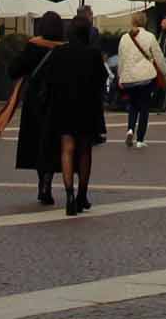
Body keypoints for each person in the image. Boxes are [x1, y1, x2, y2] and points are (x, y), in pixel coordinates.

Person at [0, 10, 64, 205]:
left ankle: (42, 182)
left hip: (35, 101)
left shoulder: (32, 46)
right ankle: (48, 179)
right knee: (53, 142)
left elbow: (14, 70)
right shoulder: (64, 48)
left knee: (38, 140)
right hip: (58, 100)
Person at [44, 14, 109, 216]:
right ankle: (82, 194)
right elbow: (102, 80)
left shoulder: (58, 52)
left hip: (64, 105)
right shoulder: (93, 54)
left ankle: (69, 194)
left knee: (67, 148)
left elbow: (50, 79)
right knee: (84, 150)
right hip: (87, 106)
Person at [115, 14, 166, 148]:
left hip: (128, 78)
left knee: (132, 106)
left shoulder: (124, 38)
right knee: (144, 107)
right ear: (145, 22)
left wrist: (120, 76)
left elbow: (121, 59)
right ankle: (140, 139)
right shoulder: (150, 37)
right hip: (146, 77)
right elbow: (159, 56)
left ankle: (130, 129)